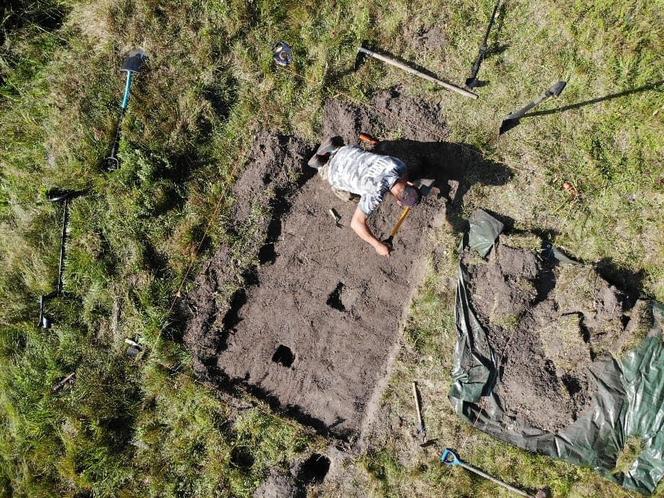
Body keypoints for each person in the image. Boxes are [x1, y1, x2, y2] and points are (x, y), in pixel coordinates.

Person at [308, 136, 420, 257]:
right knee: (351, 197)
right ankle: (323, 165)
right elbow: (356, 224)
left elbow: (404, 176)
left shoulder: (398, 165)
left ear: (410, 183)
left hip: (347, 151)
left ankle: (334, 150)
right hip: (334, 172)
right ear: (398, 202)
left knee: (364, 156)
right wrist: (377, 245)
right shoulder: (374, 195)